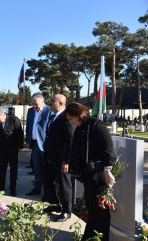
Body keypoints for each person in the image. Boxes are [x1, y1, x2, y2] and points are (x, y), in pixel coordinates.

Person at [64, 102, 116, 241]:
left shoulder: (97, 126)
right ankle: (91, 237)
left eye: (71, 119)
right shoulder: (82, 127)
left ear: (78, 115)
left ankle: (101, 238)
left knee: (101, 211)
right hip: (88, 176)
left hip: (99, 176)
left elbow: (108, 150)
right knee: (93, 210)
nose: (71, 122)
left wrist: (107, 171)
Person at [42, 94, 75, 222]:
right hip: (50, 158)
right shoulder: (53, 116)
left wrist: (66, 161)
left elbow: (70, 141)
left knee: (64, 185)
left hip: (61, 160)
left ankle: (67, 211)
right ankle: (55, 204)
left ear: (61, 103)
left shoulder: (67, 118)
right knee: (47, 180)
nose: (50, 102)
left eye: (52, 101)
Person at [0, 107, 23, 196]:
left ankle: (12, 188)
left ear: (3, 115)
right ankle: (1, 188)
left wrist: (20, 147)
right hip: (1, 149)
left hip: (12, 149)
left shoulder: (14, 120)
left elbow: (20, 134)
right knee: (1, 170)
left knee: (13, 170)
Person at [25, 93, 51, 195]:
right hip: (34, 144)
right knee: (37, 167)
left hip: (45, 144)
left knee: (46, 168)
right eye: (33, 104)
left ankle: (46, 190)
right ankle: (37, 187)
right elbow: (28, 126)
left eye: (36, 104)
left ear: (42, 101)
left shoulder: (49, 110)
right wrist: (28, 140)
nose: (34, 106)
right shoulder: (30, 110)